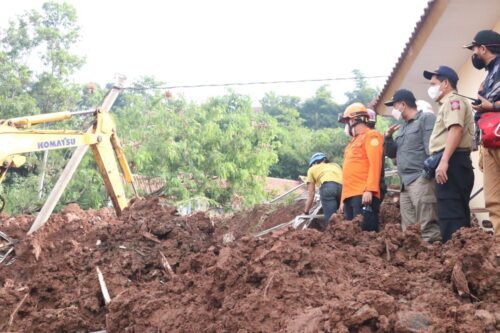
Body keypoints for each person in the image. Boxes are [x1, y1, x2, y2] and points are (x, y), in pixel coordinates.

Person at [423, 66, 475, 242]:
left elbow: (456, 130)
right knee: (453, 211)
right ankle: (460, 257)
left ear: (445, 84)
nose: (431, 88)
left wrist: (444, 161)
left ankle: (455, 258)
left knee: (451, 213)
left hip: (452, 161)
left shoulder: (454, 102)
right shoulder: (447, 104)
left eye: (434, 83)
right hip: (453, 161)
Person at [383, 89, 441, 242]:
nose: (393, 110)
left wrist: (426, 175)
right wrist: (388, 138)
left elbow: (432, 150)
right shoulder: (403, 128)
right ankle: (414, 262)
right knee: (409, 230)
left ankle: (432, 259)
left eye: (395, 106)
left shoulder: (425, 119)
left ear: (403, 104)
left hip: (420, 179)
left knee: (427, 225)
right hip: (404, 184)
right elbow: (392, 154)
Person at [464, 29, 500, 237]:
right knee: (494, 201)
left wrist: (492, 106)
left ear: (483, 48)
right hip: (490, 142)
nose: (474, 54)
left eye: (474, 49)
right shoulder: (486, 79)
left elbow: (490, 108)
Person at [338, 103, 384, 232]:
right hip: (350, 196)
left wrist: (370, 189)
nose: (346, 126)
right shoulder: (352, 143)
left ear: (353, 120)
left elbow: (375, 164)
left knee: (365, 235)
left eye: (346, 122)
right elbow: (347, 173)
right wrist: (343, 199)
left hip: (363, 194)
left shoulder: (371, 136)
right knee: (351, 235)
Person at [304, 152, 342, 229]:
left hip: (327, 188)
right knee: (341, 215)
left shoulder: (311, 169)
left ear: (314, 163)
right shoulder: (336, 166)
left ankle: (331, 236)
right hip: (343, 189)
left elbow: (311, 194)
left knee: (330, 219)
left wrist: (306, 211)